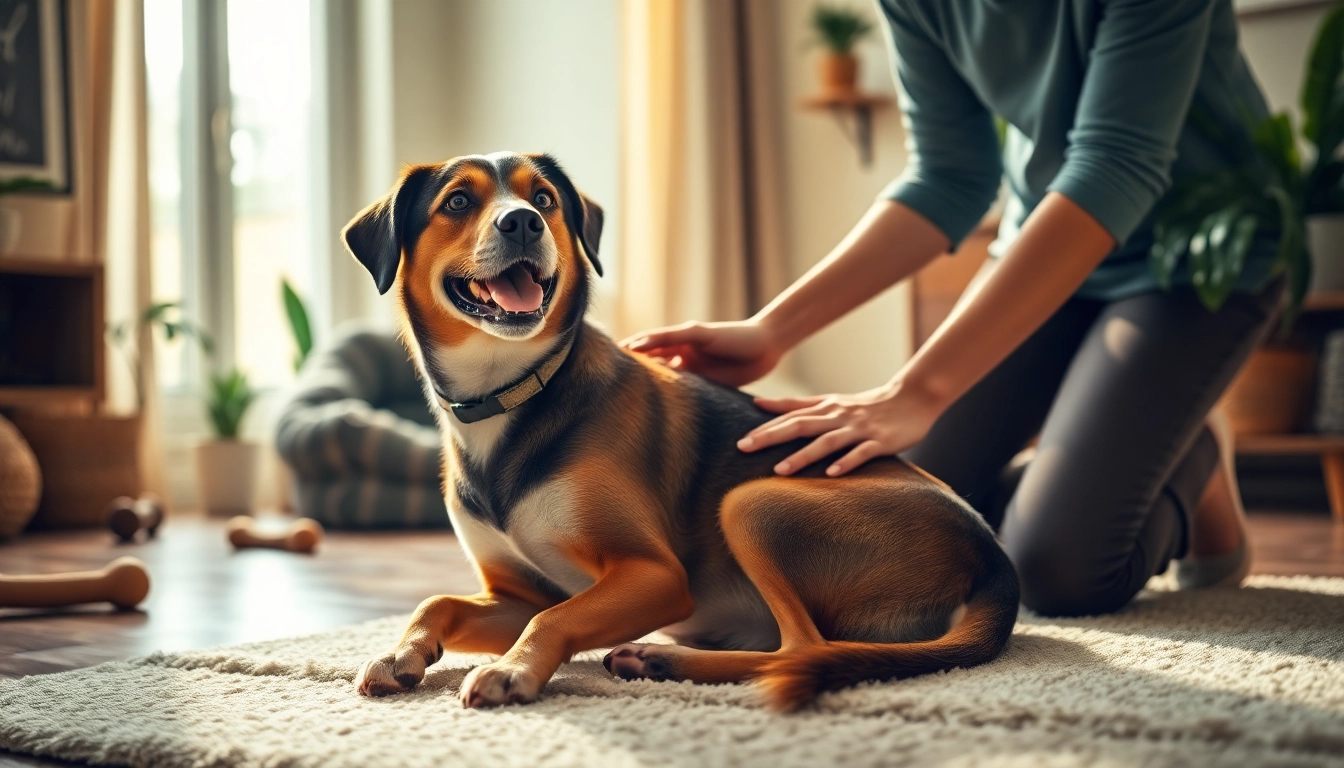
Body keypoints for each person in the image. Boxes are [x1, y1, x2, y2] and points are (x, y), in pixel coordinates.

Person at [622, 0, 1282, 617]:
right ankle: (1137, 441)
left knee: (1056, 570)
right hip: (1044, 252)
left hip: (1200, 259)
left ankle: (1189, 452)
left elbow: (1117, 166)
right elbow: (949, 175)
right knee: (894, 525)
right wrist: (773, 330)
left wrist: (917, 390)